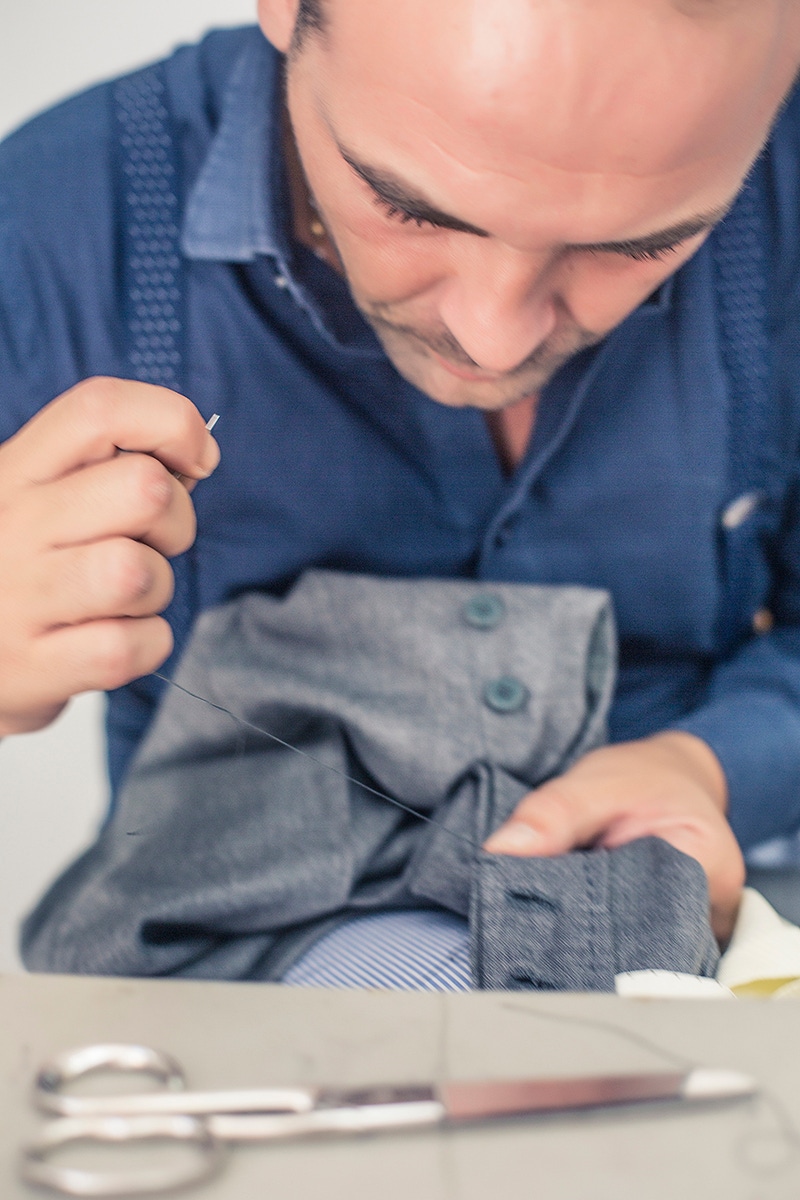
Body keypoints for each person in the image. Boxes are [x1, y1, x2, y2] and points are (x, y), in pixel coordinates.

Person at [3, 0, 800, 966]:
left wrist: (712, 765)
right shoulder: (48, 237)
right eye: (409, 206)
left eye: (637, 244)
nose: (492, 337)